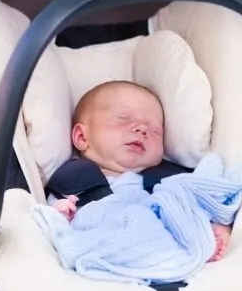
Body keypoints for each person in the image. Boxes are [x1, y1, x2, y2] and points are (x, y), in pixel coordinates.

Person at [49, 80, 232, 262]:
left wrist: (213, 225)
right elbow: (49, 224)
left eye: (155, 130)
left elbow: (201, 201)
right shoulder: (72, 183)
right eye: (123, 118)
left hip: (160, 244)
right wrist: (59, 215)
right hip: (101, 245)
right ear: (82, 137)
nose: (142, 129)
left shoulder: (170, 182)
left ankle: (197, 245)